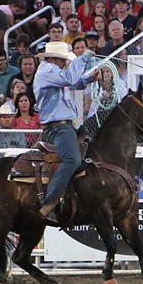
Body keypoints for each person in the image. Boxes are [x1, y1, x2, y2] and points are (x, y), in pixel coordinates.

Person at [33, 42, 99, 223]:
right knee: (72, 159)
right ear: (54, 59)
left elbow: (74, 83)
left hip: (65, 126)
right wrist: (84, 58)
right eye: (63, 60)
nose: (65, 63)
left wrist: (89, 79)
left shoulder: (52, 73)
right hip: (58, 128)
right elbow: (70, 80)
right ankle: (49, 202)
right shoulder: (46, 71)